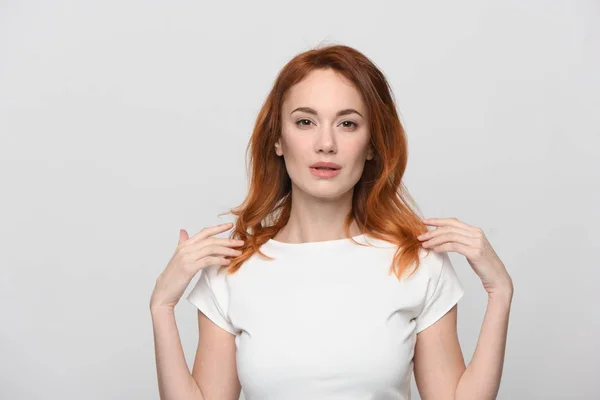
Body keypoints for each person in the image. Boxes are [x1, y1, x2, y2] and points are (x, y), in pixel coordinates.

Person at [150, 44, 514, 400]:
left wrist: (500, 292)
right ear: (278, 138)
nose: (326, 143)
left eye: (348, 123)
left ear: (372, 144)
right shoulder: (232, 270)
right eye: (305, 122)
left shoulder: (417, 262)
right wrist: (162, 306)